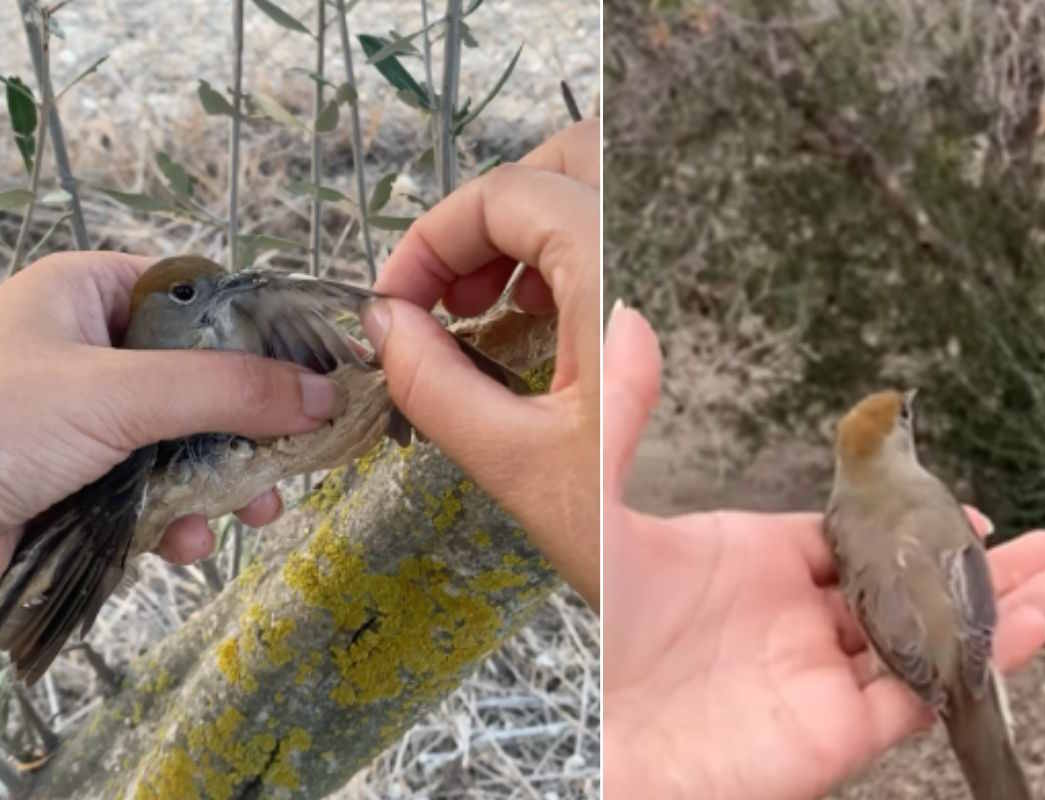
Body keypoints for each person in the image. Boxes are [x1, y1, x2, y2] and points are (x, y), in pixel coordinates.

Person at [0, 119, 599, 608]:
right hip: (112, 490)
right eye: (188, 296)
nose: (219, 295)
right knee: (117, 516)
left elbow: (282, 306)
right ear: (152, 315)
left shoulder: (229, 315)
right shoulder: (117, 388)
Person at [602, 303, 1045, 798]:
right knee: (975, 714)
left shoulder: (842, 519)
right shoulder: (931, 497)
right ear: (898, 444)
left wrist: (924, 669)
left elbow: (870, 599)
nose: (910, 415)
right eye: (906, 416)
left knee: (965, 706)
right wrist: (963, 653)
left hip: (910, 644)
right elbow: (967, 568)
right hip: (955, 632)